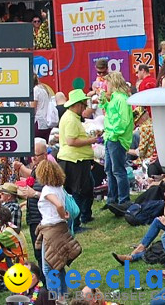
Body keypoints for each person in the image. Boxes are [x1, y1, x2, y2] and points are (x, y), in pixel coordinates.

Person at [34, 159, 75, 296]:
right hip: (61, 227)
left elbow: (58, 205)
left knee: (48, 267)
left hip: (51, 229)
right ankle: (62, 295)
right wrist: (63, 215)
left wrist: (62, 213)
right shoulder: (59, 188)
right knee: (59, 264)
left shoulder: (47, 190)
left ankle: (55, 297)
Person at [56, 89, 95, 228]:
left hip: (74, 159)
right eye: (83, 105)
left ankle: (84, 216)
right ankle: (76, 222)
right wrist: (91, 141)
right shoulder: (71, 119)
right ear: (77, 105)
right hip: (74, 160)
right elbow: (71, 141)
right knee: (78, 191)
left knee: (86, 189)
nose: (84, 108)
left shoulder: (70, 117)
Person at [101, 71, 133, 210]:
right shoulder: (115, 98)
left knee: (118, 170)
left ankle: (123, 199)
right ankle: (112, 199)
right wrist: (104, 102)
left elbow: (123, 120)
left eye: (107, 82)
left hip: (116, 138)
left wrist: (114, 134)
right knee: (109, 169)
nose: (105, 85)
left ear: (113, 82)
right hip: (110, 137)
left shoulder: (121, 99)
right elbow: (110, 113)